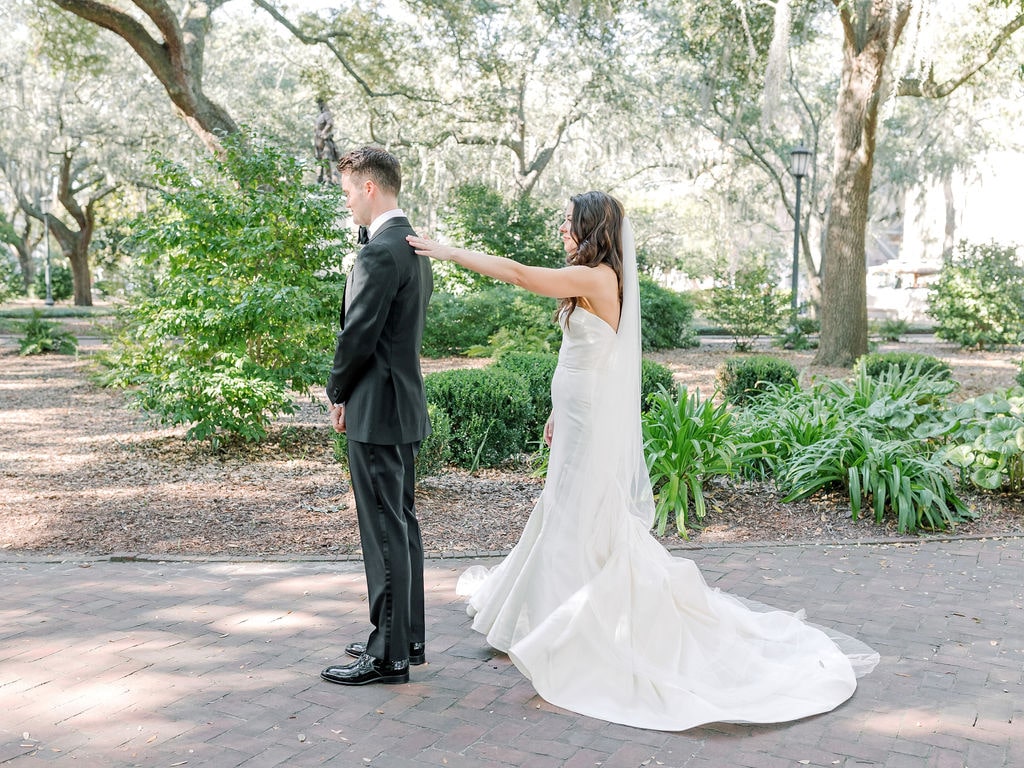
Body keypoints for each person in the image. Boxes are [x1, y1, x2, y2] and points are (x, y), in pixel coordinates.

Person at [407, 191, 878, 730]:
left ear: (592, 231)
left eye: (568, 223)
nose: (562, 230)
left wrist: (446, 252)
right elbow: (585, 355)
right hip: (579, 412)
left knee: (578, 515)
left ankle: (566, 628)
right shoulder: (592, 279)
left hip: (589, 418)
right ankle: (545, 618)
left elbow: (517, 273)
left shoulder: (599, 279)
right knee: (565, 509)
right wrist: (559, 412)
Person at [321, 146, 433, 686]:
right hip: (401, 404)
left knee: (384, 529)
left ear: (369, 188)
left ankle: (387, 656)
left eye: (347, 192)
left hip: (376, 409)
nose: (347, 204)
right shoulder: (412, 246)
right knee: (401, 524)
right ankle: (404, 638)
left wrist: (337, 391)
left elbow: (358, 336)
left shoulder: (381, 253)